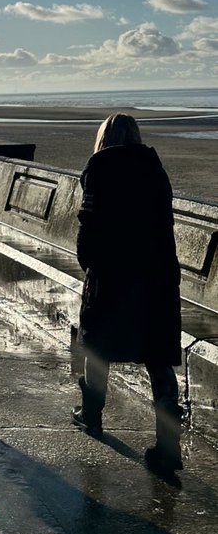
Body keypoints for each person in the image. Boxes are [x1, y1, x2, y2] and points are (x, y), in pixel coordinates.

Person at [74, 112, 184, 478]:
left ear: (103, 136)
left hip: (112, 276)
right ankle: (168, 448)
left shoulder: (99, 168)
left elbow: (88, 226)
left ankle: (91, 417)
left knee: (98, 347)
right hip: (156, 277)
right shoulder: (155, 170)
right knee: (158, 356)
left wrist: (88, 262)